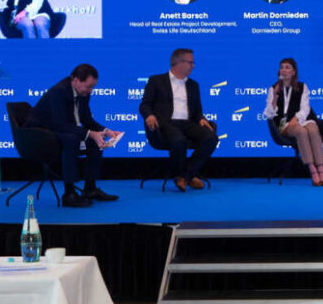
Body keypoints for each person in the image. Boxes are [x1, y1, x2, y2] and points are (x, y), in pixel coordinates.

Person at [27, 63, 122, 208]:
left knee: (94, 141)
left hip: (58, 130)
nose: (91, 91)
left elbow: (87, 120)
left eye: (93, 87)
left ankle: (90, 189)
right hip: (39, 134)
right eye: (88, 87)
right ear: (76, 80)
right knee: (71, 139)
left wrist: (106, 130)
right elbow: (60, 124)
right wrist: (90, 133)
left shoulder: (83, 93)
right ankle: (69, 194)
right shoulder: (58, 92)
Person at [140, 48, 218, 191]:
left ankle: (186, 175)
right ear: (178, 63)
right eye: (190, 62)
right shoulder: (156, 81)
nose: (193, 66)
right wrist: (150, 115)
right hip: (166, 123)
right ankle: (188, 177)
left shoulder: (193, 85)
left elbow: (198, 111)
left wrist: (201, 118)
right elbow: (145, 105)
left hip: (188, 123)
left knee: (211, 137)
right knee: (178, 140)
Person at [264, 58, 323, 186]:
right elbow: (269, 114)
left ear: (294, 72)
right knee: (301, 131)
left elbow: (305, 108)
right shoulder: (273, 89)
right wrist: (275, 97)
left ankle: (321, 169)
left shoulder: (303, 87)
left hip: (302, 120)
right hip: (284, 124)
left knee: (313, 129)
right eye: (282, 67)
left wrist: (296, 119)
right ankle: (312, 169)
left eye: (287, 67)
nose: (284, 70)